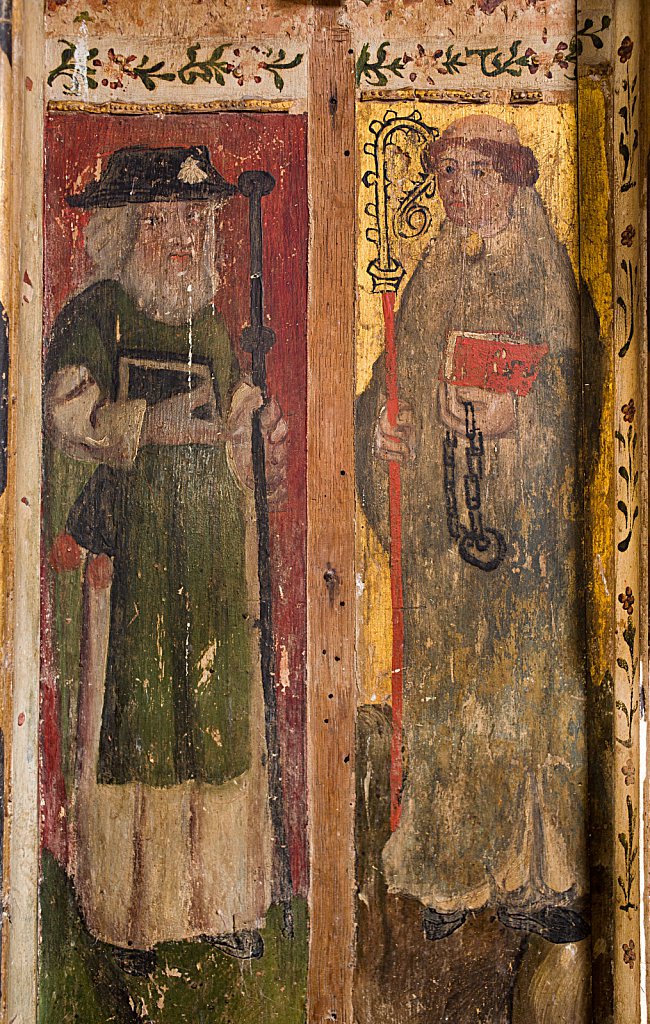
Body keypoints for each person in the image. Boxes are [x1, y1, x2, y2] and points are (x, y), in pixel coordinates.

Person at [44, 145, 288, 969]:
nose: (179, 237)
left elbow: (239, 422)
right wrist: (153, 425)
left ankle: (222, 904)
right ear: (124, 231)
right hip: (133, 556)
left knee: (215, 726)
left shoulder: (213, 323)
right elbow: (66, 420)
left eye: (192, 219)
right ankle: (132, 919)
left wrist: (260, 433)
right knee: (135, 730)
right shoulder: (95, 313)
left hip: (214, 560)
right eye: (159, 221)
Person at [356, 116, 591, 944]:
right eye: (446, 173)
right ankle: (451, 876)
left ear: (516, 180)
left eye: (476, 172)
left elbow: (577, 397)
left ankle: (540, 878)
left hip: (524, 545)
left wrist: (518, 416)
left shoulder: (547, 278)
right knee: (452, 706)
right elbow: (392, 385)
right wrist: (384, 432)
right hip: (447, 542)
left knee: (527, 702)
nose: (459, 189)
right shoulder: (428, 281)